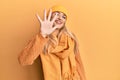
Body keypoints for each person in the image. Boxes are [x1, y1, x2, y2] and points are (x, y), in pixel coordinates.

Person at [18, 5, 86, 80]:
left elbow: (79, 65)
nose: (60, 18)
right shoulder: (41, 39)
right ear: (49, 16)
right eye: (57, 14)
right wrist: (43, 35)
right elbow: (24, 61)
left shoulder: (71, 39)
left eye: (64, 17)